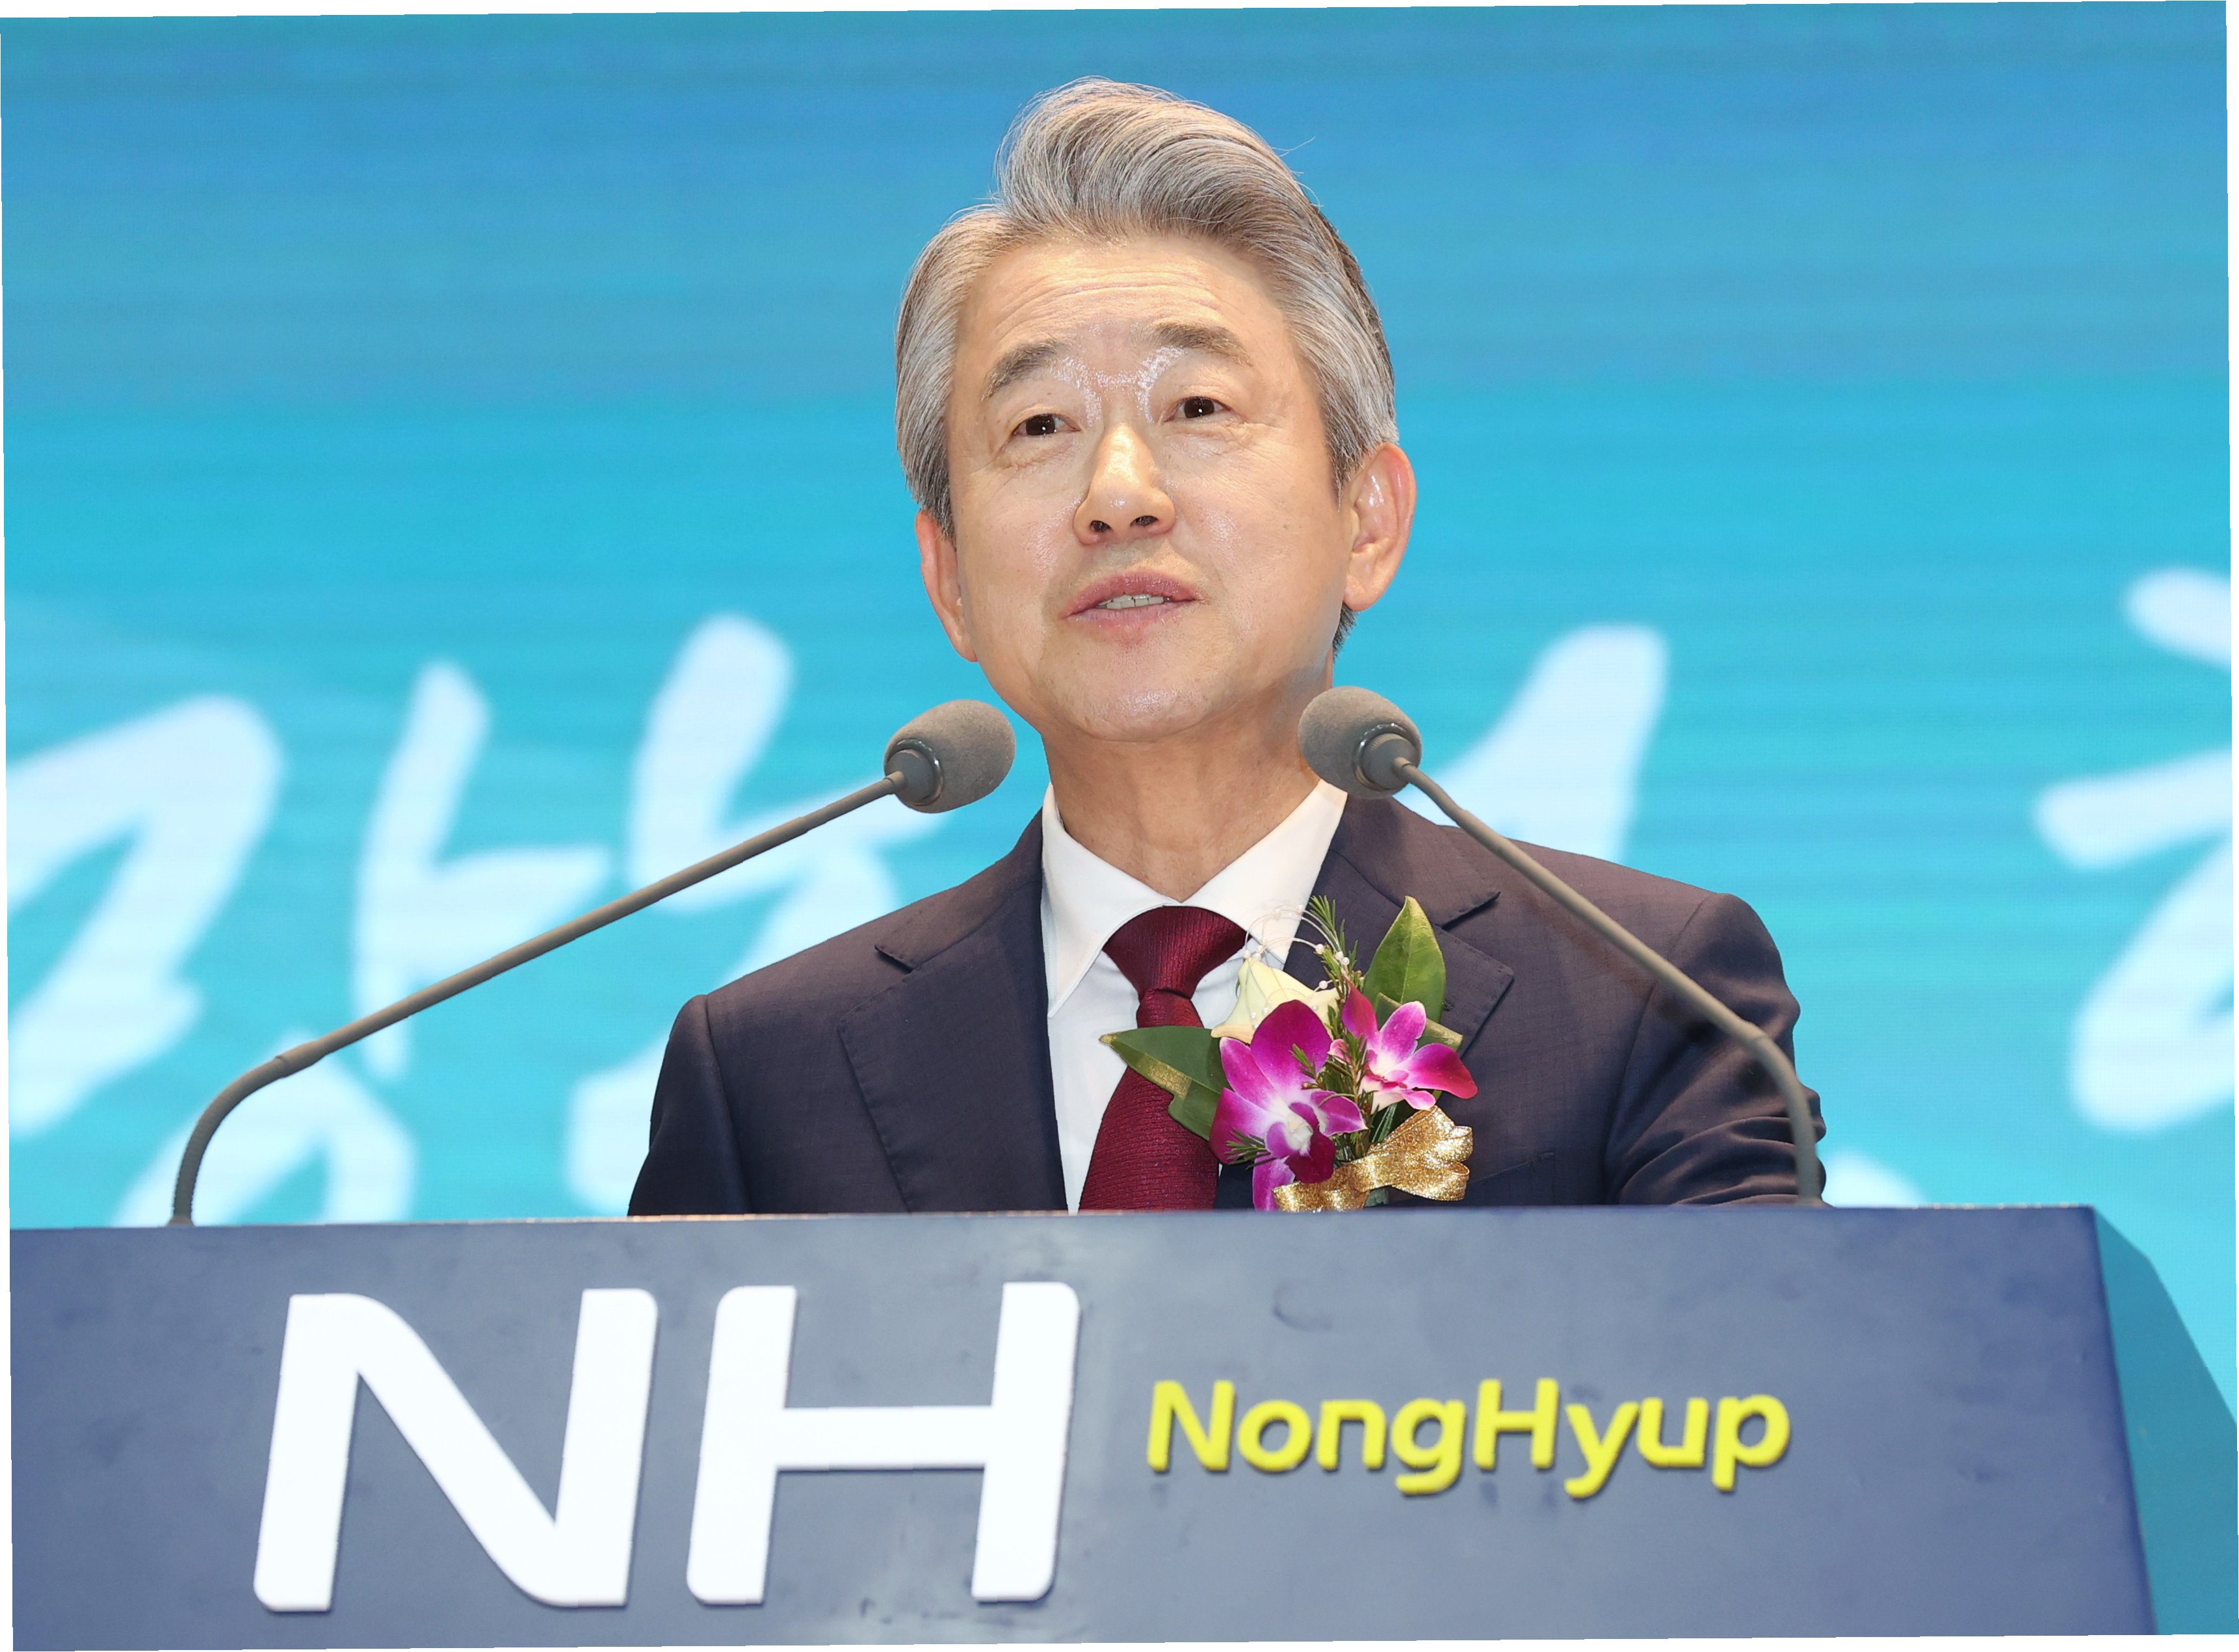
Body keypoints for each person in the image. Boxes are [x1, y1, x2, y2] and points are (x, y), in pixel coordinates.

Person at [629, 79, 1822, 1216]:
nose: (1118, 494)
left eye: (1197, 408)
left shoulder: (1647, 995)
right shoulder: (767, 1077)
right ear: (949, 580)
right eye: (1039, 425)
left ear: (1367, 521)